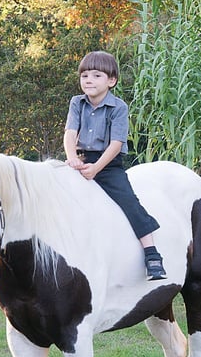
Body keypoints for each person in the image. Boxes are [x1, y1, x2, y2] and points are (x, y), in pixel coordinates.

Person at [64, 51, 166, 281]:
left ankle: (152, 254)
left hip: (107, 164)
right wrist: (72, 158)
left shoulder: (118, 107)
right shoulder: (76, 103)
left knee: (129, 201)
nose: (88, 80)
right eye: (85, 75)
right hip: (79, 161)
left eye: (96, 75)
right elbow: (70, 133)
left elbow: (116, 144)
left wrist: (96, 169)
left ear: (111, 81)